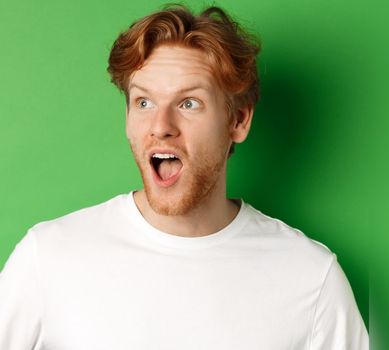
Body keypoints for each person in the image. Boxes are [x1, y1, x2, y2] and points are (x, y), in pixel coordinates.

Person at [0, 4, 368, 349]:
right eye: (144, 102)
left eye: (189, 103)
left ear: (238, 120)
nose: (161, 127)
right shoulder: (48, 258)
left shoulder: (311, 279)